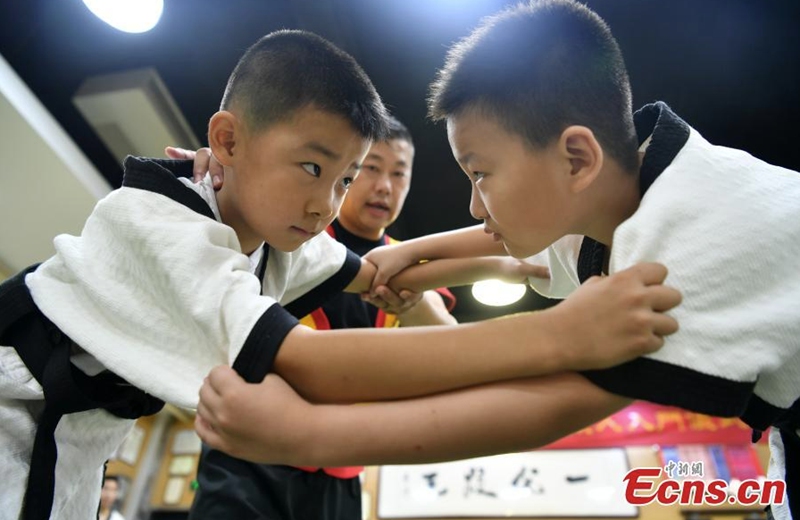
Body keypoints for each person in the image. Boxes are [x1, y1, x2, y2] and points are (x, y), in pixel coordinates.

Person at [0, 27, 681, 520]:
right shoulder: (161, 226)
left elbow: (383, 269)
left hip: (77, 442)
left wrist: (514, 255)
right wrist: (560, 334)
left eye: (345, 176)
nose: (327, 201)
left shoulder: (283, 235)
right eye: (311, 167)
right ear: (228, 141)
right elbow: (311, 362)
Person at [194, 2, 798, 519]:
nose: (474, 202)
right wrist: (397, 259)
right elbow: (494, 241)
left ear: (576, 158)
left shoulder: (690, 245)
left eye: (481, 173)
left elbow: (543, 406)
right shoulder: (635, 184)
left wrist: (299, 433)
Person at [169, 115, 459, 519]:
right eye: (371, 169)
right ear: (347, 169)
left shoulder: (414, 265)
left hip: (340, 468)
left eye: (399, 174)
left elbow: (450, 351)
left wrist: (412, 297)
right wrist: (226, 171)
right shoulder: (289, 229)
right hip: (248, 454)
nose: (384, 187)